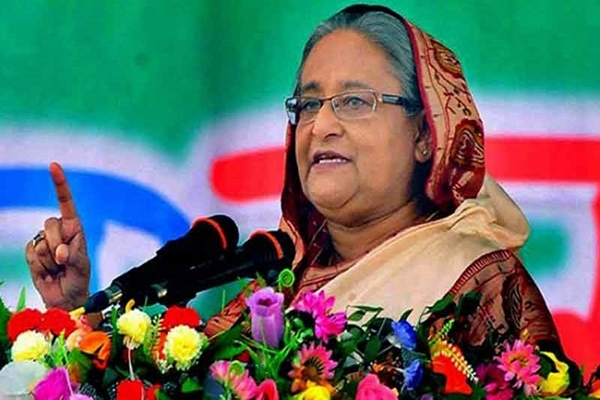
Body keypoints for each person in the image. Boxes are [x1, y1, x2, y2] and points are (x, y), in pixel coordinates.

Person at [26, 3, 574, 373]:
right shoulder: (277, 280)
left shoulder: (476, 280)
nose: (321, 125)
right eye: (309, 104)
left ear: (426, 134)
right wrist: (76, 312)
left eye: (354, 101)